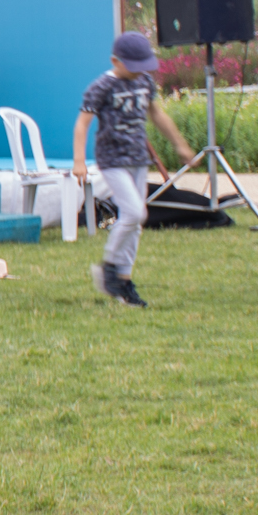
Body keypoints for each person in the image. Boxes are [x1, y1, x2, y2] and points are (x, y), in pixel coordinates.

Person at [75, 28, 189, 308]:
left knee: (136, 221)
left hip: (138, 159)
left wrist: (179, 144)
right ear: (116, 61)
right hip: (113, 161)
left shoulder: (145, 83)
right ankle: (109, 265)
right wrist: (79, 161)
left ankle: (123, 283)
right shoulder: (101, 86)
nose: (140, 72)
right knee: (136, 213)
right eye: (134, 67)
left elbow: (157, 115)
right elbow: (82, 124)